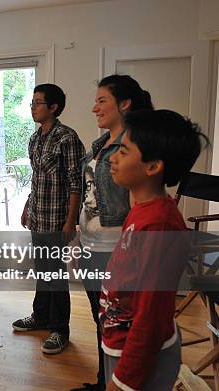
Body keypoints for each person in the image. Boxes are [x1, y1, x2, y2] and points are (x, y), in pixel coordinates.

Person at [101, 109, 206, 391]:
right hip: (120, 341)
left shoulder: (160, 225)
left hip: (141, 357)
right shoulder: (143, 210)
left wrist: (123, 382)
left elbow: (152, 317)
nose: (113, 158)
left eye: (124, 151)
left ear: (152, 167)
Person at [72, 75, 154, 391]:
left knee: (120, 323)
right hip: (93, 246)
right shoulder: (100, 144)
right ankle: (103, 380)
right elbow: (91, 198)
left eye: (101, 100)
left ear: (125, 104)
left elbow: (140, 201)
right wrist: (80, 240)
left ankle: (120, 382)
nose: (94, 108)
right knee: (100, 319)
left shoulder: (134, 146)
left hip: (117, 250)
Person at [12, 83, 85, 354]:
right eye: (31, 102)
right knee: (42, 270)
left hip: (57, 219)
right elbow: (37, 179)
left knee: (54, 275)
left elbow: (76, 183)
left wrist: (70, 221)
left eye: (38, 102)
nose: (33, 107)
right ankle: (40, 316)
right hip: (38, 215)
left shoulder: (67, 137)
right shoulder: (35, 138)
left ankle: (59, 330)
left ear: (53, 107)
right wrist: (27, 206)